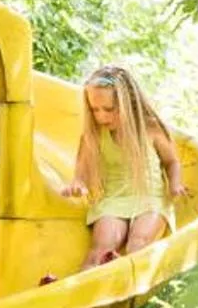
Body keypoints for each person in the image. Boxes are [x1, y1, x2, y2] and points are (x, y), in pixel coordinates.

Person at [59, 64, 188, 268]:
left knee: (138, 244)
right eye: (94, 110)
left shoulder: (151, 128)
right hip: (113, 200)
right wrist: (78, 183)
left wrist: (175, 184)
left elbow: (172, 162)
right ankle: (82, 290)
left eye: (109, 109)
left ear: (129, 103)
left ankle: (122, 279)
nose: (101, 116)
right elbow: (81, 169)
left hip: (150, 199)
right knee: (101, 249)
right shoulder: (93, 134)